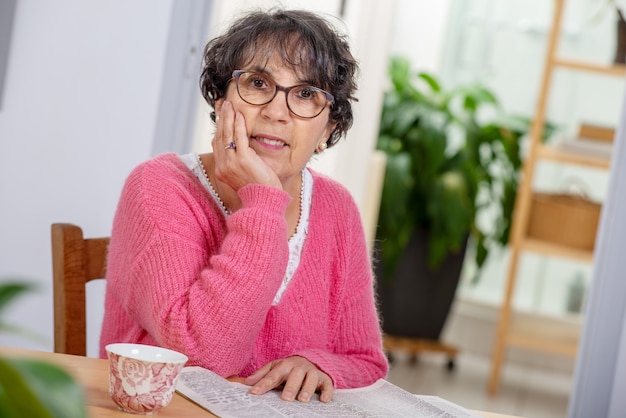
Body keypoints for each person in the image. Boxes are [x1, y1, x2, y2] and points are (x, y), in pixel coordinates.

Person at [99, 8, 388, 403]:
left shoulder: (337, 208)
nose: (275, 112)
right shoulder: (157, 186)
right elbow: (206, 357)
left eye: (306, 94)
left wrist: (318, 365)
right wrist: (264, 202)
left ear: (328, 129)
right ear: (221, 101)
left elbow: (365, 361)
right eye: (257, 83)